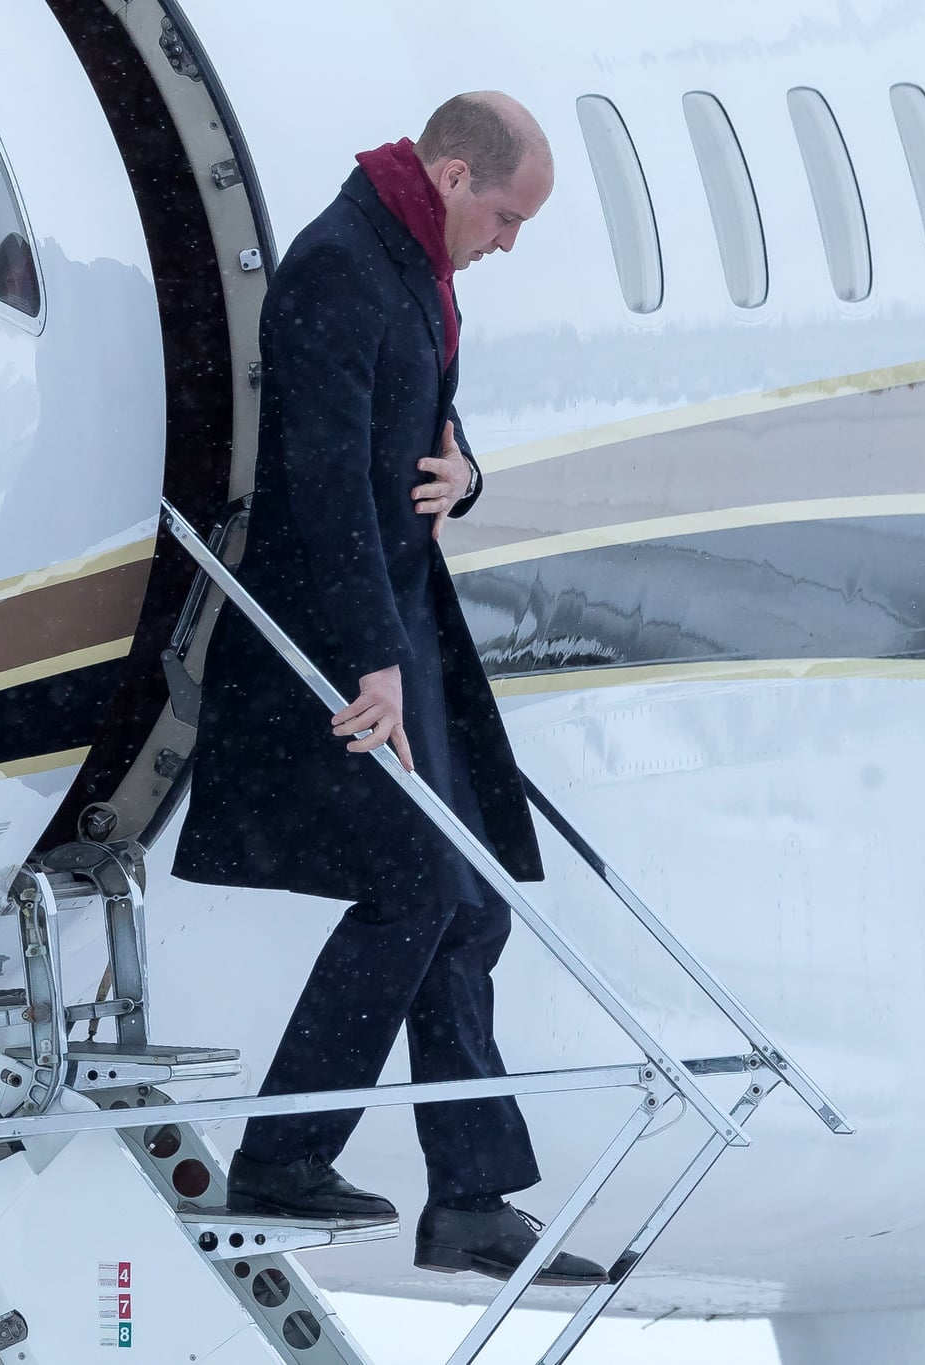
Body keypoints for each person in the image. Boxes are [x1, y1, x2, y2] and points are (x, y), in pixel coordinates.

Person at [172, 92, 605, 1288]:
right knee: (416, 886)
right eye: (508, 218)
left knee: (467, 906)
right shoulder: (337, 268)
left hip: (393, 628)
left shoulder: (406, 252)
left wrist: (465, 472)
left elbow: (412, 428)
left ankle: (468, 1200)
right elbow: (320, 484)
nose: (508, 244)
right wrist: (371, 665)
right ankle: (281, 1157)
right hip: (323, 643)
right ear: (456, 174)